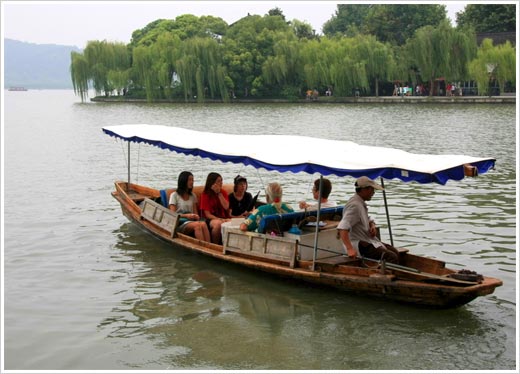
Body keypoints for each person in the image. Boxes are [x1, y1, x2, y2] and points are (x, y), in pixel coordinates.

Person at [337, 176, 399, 264]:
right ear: (364, 190)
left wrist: (372, 224)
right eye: (372, 190)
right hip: (358, 243)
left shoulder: (360, 202)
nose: (373, 192)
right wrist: (350, 249)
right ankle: (387, 275)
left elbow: (367, 218)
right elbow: (343, 228)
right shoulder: (355, 205)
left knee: (394, 251)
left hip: (367, 240)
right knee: (391, 257)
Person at [169, 171, 210, 242]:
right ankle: (203, 247)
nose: (192, 182)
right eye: (189, 180)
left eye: (192, 180)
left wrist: (196, 216)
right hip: (179, 223)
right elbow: (173, 214)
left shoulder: (192, 196)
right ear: (183, 181)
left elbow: (195, 212)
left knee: (203, 224)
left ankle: (209, 246)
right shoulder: (174, 195)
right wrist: (186, 216)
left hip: (191, 221)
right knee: (198, 226)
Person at [200, 172, 230, 244]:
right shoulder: (205, 195)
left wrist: (219, 194)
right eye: (218, 181)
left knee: (235, 223)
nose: (221, 183)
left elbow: (226, 207)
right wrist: (219, 219)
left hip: (223, 217)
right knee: (218, 224)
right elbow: (207, 214)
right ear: (212, 183)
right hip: (209, 219)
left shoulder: (223, 192)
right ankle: (215, 245)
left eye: (221, 181)